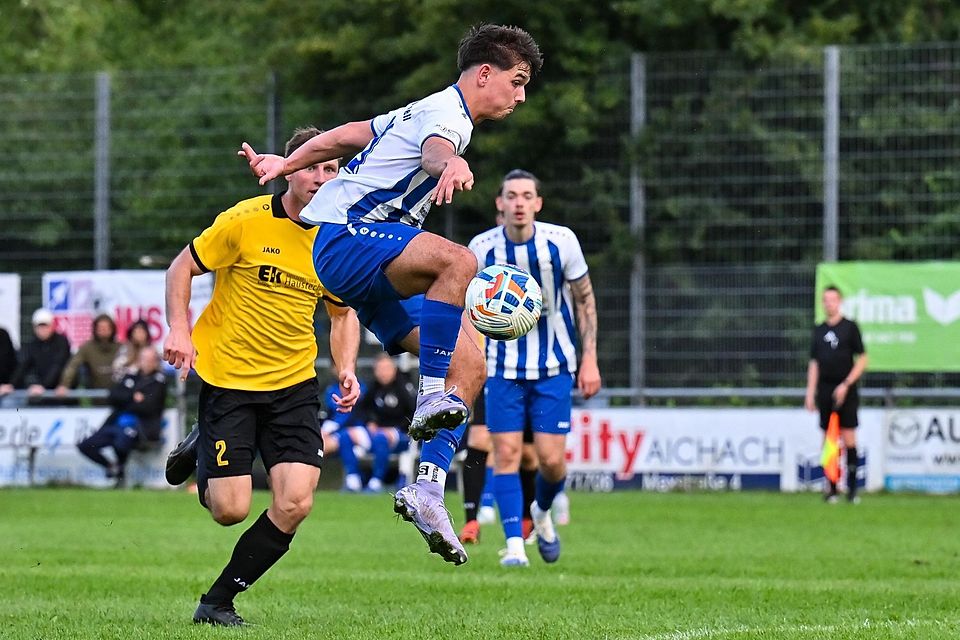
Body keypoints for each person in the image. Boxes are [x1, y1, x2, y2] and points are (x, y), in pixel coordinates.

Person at [240, 23, 542, 566]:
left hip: (373, 266)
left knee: (472, 362)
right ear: (485, 73)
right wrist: (450, 162)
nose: (521, 95)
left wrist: (283, 164)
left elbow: (346, 135)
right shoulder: (448, 120)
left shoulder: (422, 108)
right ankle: (429, 395)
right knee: (460, 260)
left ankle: (427, 489)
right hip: (348, 239)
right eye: (517, 82)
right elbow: (434, 152)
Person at [162, 127, 361, 627]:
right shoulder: (246, 220)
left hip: (293, 387)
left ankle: (217, 603)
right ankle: (204, 443)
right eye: (313, 166)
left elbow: (342, 315)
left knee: (295, 503)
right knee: (229, 510)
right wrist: (180, 331)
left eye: (331, 168)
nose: (321, 177)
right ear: (291, 167)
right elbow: (180, 269)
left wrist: (346, 369)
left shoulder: (334, 239)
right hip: (230, 381)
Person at [468, 169, 601, 567]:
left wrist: (590, 357)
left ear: (538, 203)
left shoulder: (562, 243)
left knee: (551, 462)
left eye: (527, 196)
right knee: (505, 453)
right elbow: (467, 308)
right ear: (500, 203)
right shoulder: (482, 248)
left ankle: (541, 514)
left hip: (554, 365)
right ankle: (513, 545)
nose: (520, 203)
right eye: (512, 195)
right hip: (503, 366)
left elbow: (584, 300)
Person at [804, 285, 868, 504]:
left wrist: (846, 384)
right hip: (825, 390)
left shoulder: (850, 328)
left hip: (846, 390)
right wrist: (810, 391)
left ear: (839, 302)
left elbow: (862, 359)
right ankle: (831, 489)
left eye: (833, 299)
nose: (829, 303)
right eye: (825, 300)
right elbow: (814, 363)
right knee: (829, 440)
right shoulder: (819, 330)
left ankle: (852, 490)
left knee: (848, 437)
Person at [77, 347, 167, 483]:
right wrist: (132, 397)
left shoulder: (158, 382)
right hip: (116, 423)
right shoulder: (131, 376)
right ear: (139, 360)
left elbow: (149, 407)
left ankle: (120, 473)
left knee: (122, 441)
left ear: (155, 362)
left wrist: (127, 401)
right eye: (143, 359)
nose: (146, 363)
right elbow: (113, 396)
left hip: (142, 427)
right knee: (86, 445)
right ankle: (111, 466)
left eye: (150, 360)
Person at [355, 352, 415, 492]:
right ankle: (353, 480)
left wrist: (396, 429)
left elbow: (414, 413)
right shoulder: (374, 388)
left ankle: (376, 480)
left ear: (394, 369)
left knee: (381, 438)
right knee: (346, 437)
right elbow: (363, 409)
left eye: (386, 369)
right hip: (376, 433)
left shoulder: (403, 387)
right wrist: (370, 422)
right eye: (379, 369)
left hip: (402, 435)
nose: (383, 373)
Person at [0, 308, 71, 402]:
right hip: (42, 393)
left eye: (45, 326)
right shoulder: (33, 345)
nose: (42, 329)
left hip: (61, 391)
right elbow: (23, 366)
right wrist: (11, 385)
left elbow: (57, 366)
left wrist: (43, 386)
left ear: (52, 326)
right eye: (39, 326)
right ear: (34, 327)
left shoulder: (62, 342)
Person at [56, 313, 120, 396]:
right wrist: (64, 384)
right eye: (100, 327)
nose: (104, 330)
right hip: (95, 394)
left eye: (107, 327)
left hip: (118, 395)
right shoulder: (87, 347)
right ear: (95, 329)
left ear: (112, 329)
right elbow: (72, 366)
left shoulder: (120, 347)